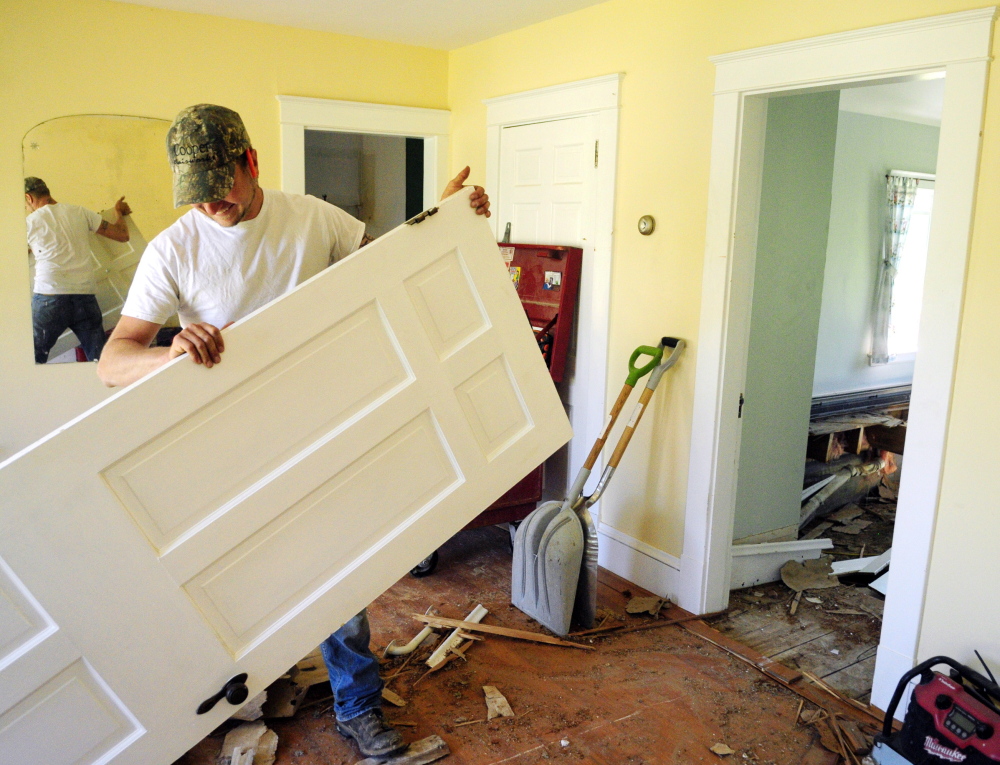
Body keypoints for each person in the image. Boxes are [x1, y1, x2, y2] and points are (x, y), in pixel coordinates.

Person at [97, 104, 490, 757]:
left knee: (340, 573)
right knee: (243, 585)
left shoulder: (314, 217)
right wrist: (169, 353)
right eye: (193, 197)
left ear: (251, 163)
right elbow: (114, 361)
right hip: (230, 446)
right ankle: (242, 697)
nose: (209, 208)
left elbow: (390, 268)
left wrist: (443, 221)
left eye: (219, 191)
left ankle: (357, 703)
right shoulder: (174, 247)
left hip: (323, 427)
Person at [25, 177, 131, 363]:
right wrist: (118, 213)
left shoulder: (30, 223)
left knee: (32, 360)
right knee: (100, 362)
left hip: (49, 297)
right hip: (84, 297)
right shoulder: (80, 212)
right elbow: (122, 236)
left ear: (29, 198)